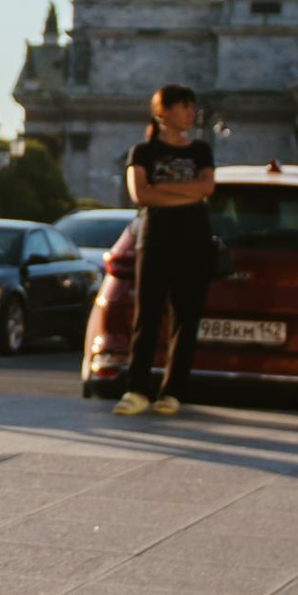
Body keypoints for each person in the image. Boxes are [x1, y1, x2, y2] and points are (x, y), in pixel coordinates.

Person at [114, 83, 218, 419]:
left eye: (192, 107)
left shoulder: (201, 149)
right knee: (147, 315)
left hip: (195, 243)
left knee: (185, 319)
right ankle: (137, 389)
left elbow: (207, 188)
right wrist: (186, 193)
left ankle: (173, 392)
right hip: (156, 242)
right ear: (163, 112)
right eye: (185, 107)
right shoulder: (142, 151)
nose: (191, 113)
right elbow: (140, 195)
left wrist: (163, 189)